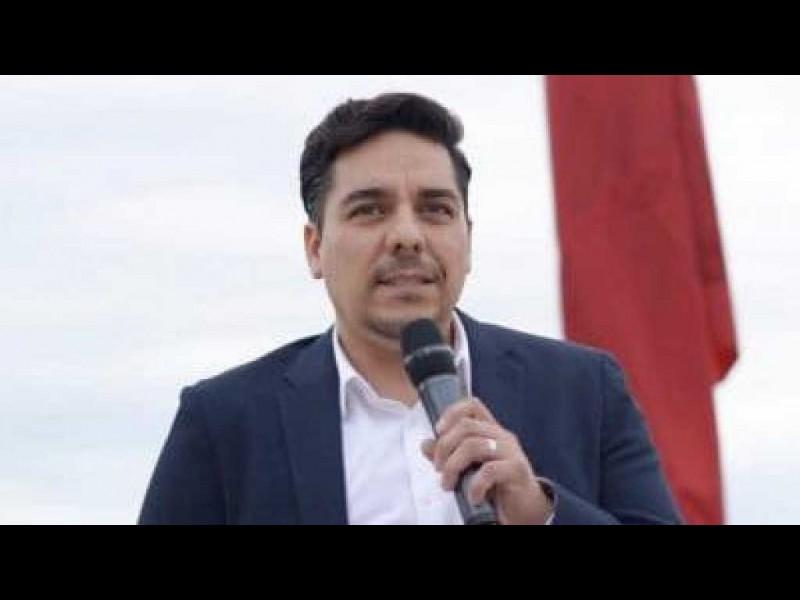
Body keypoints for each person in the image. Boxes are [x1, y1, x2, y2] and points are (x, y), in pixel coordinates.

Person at [138, 92, 681, 525]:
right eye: (370, 210)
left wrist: (541, 515)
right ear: (315, 248)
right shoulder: (225, 422)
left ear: (468, 238)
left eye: (435, 209)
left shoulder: (584, 390)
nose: (407, 235)